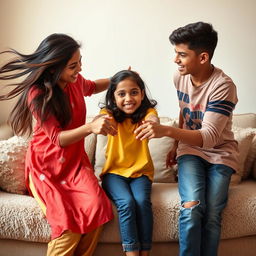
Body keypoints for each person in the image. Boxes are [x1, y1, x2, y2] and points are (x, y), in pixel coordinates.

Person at [0, 33, 118, 256]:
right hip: (45, 167)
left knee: (98, 208)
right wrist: (90, 127)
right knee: (67, 226)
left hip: (74, 164)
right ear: (54, 68)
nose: (80, 69)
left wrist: (119, 78)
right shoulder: (37, 94)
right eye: (73, 65)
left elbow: (92, 86)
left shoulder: (75, 82)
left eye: (80, 61)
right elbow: (57, 138)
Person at [134, 22, 239, 256]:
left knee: (212, 213)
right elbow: (186, 109)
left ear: (203, 57)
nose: (175, 60)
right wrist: (175, 144)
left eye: (182, 54)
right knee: (192, 207)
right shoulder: (180, 77)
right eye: (176, 53)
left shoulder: (223, 86)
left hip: (221, 154)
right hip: (190, 151)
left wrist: (167, 132)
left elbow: (210, 137)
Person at [99, 70, 159, 256]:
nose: (128, 98)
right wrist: (101, 121)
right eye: (121, 94)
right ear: (113, 97)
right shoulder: (108, 113)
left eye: (134, 92)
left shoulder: (147, 113)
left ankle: (145, 252)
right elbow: (99, 120)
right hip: (113, 174)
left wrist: (153, 123)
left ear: (142, 94)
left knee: (141, 202)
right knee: (126, 202)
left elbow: (153, 118)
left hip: (140, 173)